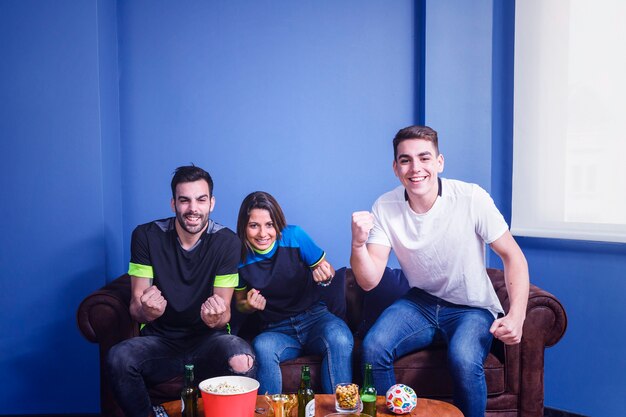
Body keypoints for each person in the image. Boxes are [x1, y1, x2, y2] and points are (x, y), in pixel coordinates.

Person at [350, 126, 529, 417]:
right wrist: (358, 244)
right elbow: (369, 281)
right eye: (405, 160)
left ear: (439, 162)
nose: (415, 168)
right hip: (420, 302)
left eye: (424, 158)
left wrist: (517, 314)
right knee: (373, 348)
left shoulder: (471, 198)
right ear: (396, 168)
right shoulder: (384, 206)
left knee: (463, 358)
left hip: (472, 307)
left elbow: (514, 256)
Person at [106, 165, 256, 417]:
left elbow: (225, 313)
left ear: (212, 203)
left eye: (201, 199)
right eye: (184, 200)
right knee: (118, 357)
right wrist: (147, 310)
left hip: (209, 340)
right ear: (173, 203)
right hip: (159, 342)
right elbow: (135, 308)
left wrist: (215, 318)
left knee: (243, 358)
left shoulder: (227, 242)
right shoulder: (146, 236)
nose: (193, 209)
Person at [235, 191, 353, 394]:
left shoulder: (295, 236)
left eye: (269, 225)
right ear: (244, 227)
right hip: (276, 329)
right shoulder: (238, 255)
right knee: (262, 347)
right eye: (254, 225)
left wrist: (325, 275)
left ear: (278, 224)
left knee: (340, 338)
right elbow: (239, 303)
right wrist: (249, 304)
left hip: (315, 318)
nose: (263, 233)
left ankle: (339, 412)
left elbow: (329, 271)